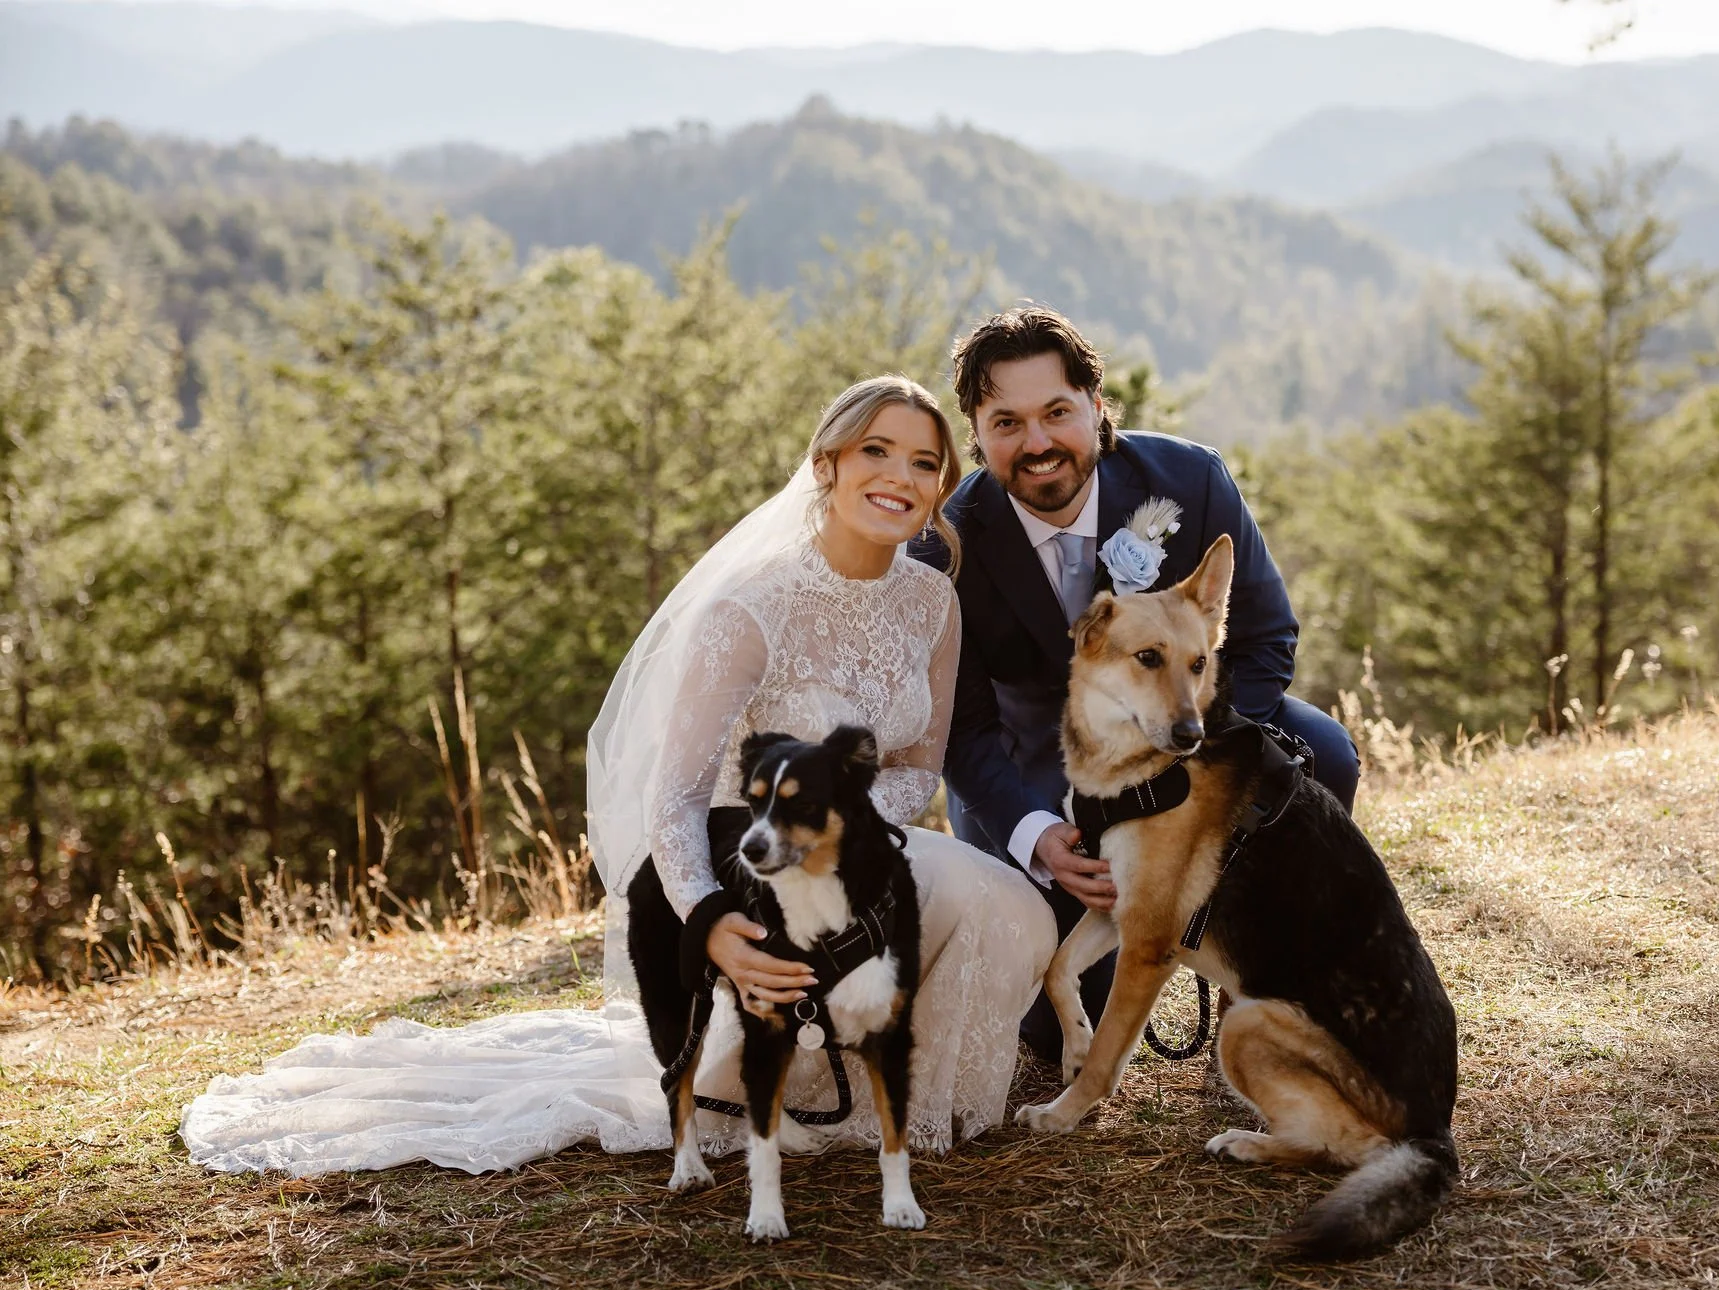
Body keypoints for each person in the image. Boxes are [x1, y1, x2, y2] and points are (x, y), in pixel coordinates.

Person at [180, 377, 1055, 1175]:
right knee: (966, 891)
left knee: (1006, 900)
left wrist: (847, 826)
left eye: (925, 462)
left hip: (855, 838)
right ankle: (758, 1074)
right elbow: (673, 796)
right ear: (826, 464)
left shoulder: (931, 601)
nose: (900, 475)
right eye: (877, 451)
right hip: (736, 855)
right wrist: (708, 918)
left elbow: (918, 764)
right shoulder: (752, 604)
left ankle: (901, 1099)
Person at [910, 307, 1359, 1062]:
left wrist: (1193, 764)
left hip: (1193, 729)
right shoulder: (946, 545)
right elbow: (963, 726)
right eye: (1007, 423)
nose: (1039, 443)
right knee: (1051, 1032)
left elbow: (1263, 634)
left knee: (1324, 754)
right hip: (1039, 773)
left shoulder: (1189, 479)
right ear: (977, 433)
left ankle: (1253, 971)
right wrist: (1035, 836)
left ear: (1095, 403)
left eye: (1057, 412)